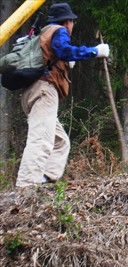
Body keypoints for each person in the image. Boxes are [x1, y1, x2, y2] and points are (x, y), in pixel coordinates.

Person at [16, 3, 110, 188]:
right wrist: (95, 51)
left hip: (32, 91)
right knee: (41, 140)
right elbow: (64, 51)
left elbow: (56, 55)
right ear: (68, 21)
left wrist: (67, 61)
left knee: (60, 141)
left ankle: (46, 181)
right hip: (44, 91)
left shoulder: (43, 33)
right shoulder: (58, 30)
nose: (72, 25)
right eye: (72, 21)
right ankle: (25, 187)